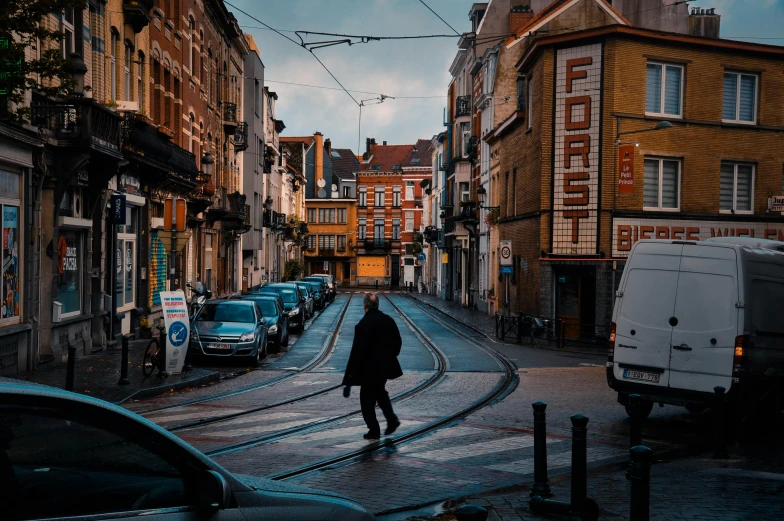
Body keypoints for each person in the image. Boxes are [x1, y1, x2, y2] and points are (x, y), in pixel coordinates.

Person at [342, 293, 402, 439]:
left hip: (368, 370)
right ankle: (391, 419)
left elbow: (356, 353)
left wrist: (349, 380)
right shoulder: (388, 320)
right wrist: (390, 356)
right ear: (378, 305)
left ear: (365, 306)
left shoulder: (363, 325)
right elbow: (398, 343)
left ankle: (374, 429)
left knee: (366, 400)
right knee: (380, 392)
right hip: (384, 368)